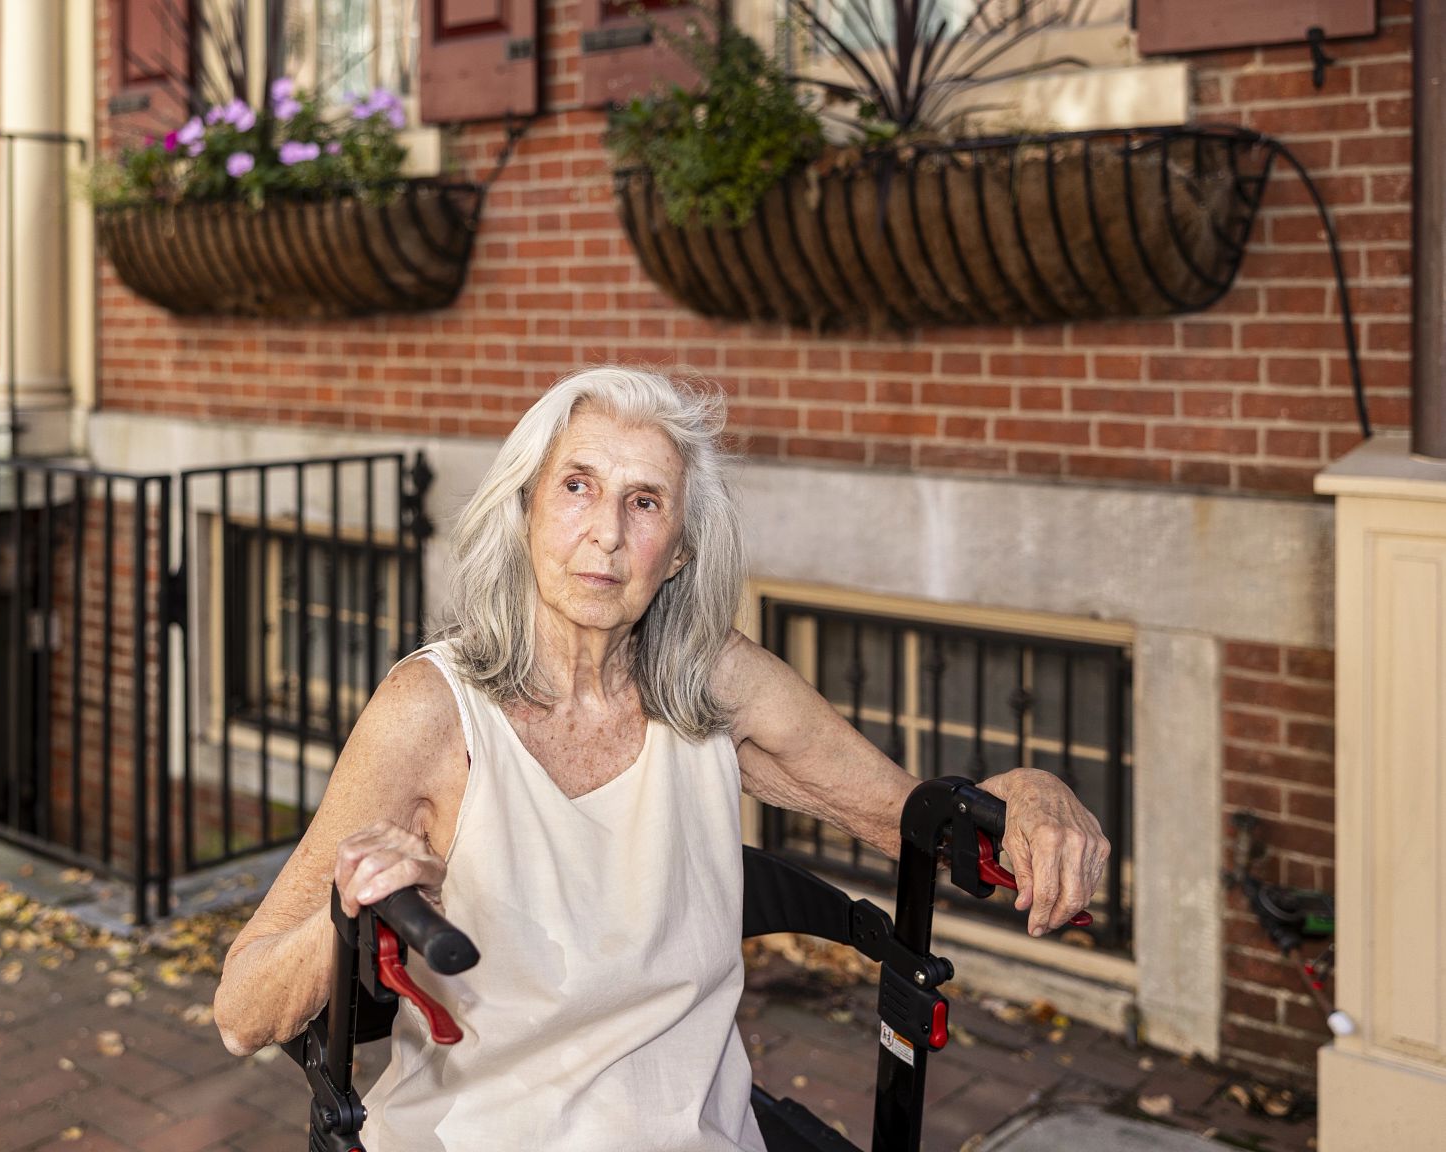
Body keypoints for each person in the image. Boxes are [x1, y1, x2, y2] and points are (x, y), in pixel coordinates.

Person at [212, 366, 1111, 1150]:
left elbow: (911, 817)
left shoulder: (717, 683)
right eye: (576, 486)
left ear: (678, 551)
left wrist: (1029, 791)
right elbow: (243, 1010)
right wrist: (347, 906)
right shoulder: (431, 711)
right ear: (525, 508)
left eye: (643, 503)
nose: (605, 531)